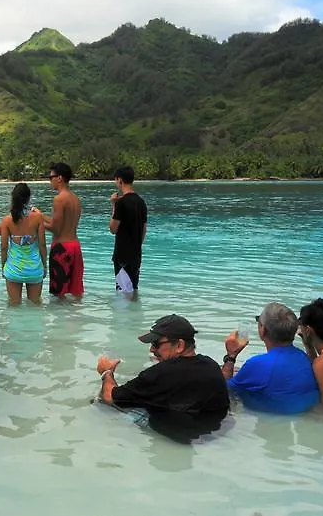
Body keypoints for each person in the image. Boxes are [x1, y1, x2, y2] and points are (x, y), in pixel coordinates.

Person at [95, 314, 230, 443]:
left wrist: (107, 372)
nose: (152, 349)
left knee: (100, 402)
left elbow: (109, 396)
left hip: (178, 436)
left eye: (156, 344)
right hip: (214, 433)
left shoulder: (160, 374)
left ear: (179, 345)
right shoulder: (211, 365)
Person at [221, 302, 319, 414]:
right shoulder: (303, 357)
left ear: (263, 330)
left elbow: (222, 389)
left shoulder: (258, 364)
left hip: (270, 416)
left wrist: (231, 356)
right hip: (296, 412)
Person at [34, 162, 84, 300]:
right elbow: (61, 223)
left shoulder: (59, 199)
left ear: (60, 178)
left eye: (51, 177)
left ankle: (60, 320)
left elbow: (55, 228)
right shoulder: (75, 198)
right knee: (76, 292)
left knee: (59, 294)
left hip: (62, 248)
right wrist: (40, 215)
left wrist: (37, 224)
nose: (50, 181)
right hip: (75, 246)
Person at [0, 183, 47, 305]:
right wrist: (45, 266)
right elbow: (42, 245)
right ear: (28, 198)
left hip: (13, 269)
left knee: (14, 305)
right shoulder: (38, 217)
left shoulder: (7, 220)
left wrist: (3, 267)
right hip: (34, 269)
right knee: (36, 305)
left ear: (13, 198)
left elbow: (4, 247)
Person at [109, 165, 147, 300]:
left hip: (122, 255)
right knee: (133, 289)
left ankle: (125, 320)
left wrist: (113, 205)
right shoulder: (141, 202)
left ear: (119, 180)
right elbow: (144, 230)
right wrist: (136, 246)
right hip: (136, 254)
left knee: (123, 293)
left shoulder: (121, 203)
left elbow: (113, 229)